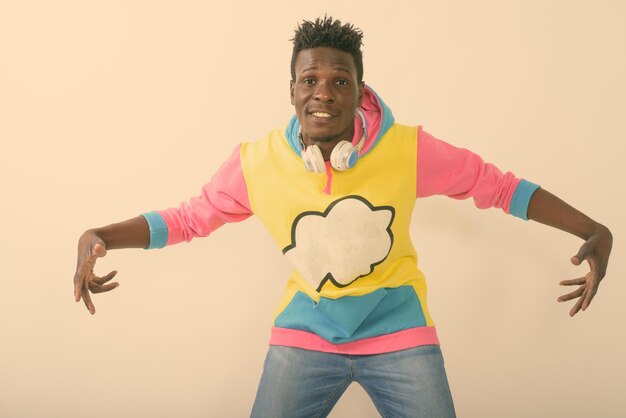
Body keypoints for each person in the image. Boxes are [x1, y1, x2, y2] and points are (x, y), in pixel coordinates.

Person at [73, 16, 612, 418]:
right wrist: (102, 236)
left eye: (339, 81)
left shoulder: (408, 149)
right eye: (310, 81)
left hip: (399, 333)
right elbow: (190, 217)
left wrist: (591, 228)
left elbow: (495, 185)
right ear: (292, 91)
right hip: (304, 335)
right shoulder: (256, 163)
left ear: (360, 91)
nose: (323, 94)